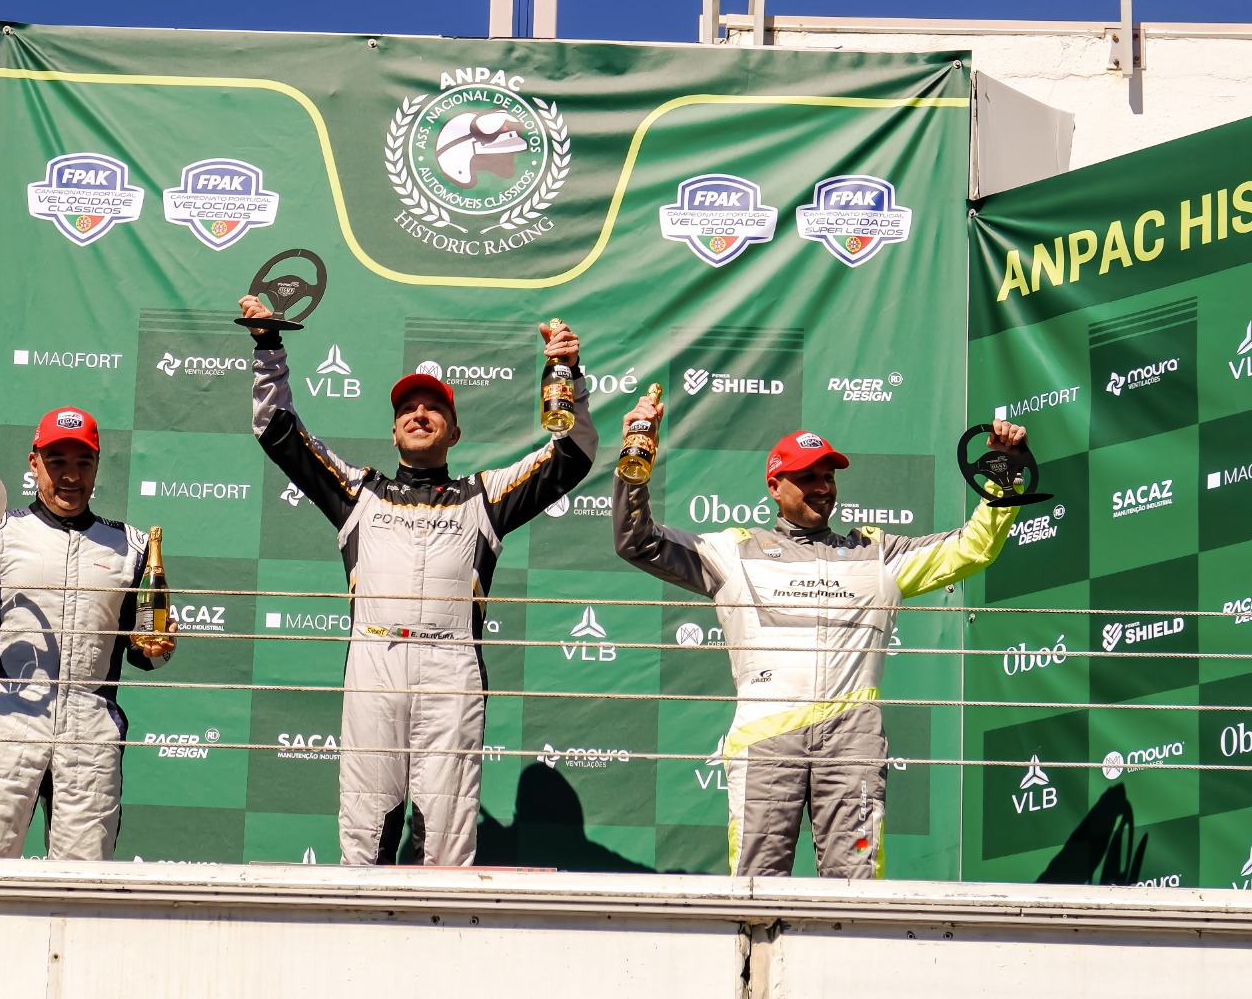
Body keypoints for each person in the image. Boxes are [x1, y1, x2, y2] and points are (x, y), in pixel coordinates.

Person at [240, 297, 598, 866]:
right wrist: (268, 346)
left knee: (446, 837)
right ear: (393, 430)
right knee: (366, 830)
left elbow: (572, 456)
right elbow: (278, 431)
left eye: (434, 408)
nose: (420, 414)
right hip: (374, 663)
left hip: (452, 668)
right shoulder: (357, 492)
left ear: (454, 433)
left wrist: (569, 377)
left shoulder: (486, 497)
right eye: (408, 408)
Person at [613, 409, 1027, 879]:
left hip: (852, 741)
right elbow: (637, 541)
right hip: (765, 739)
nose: (822, 487)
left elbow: (973, 547)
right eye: (807, 477)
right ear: (775, 486)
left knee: (856, 885)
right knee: (756, 884)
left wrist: (1005, 474)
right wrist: (635, 454)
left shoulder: (877, 554)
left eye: (828, 477)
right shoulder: (734, 551)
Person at [0, 406, 173, 860]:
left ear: (97, 465)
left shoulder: (132, 546)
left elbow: (143, 651)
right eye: (57, 461)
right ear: (34, 462)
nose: (71, 476)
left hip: (90, 734)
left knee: (82, 886)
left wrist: (159, 646)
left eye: (83, 462)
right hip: (5, 723)